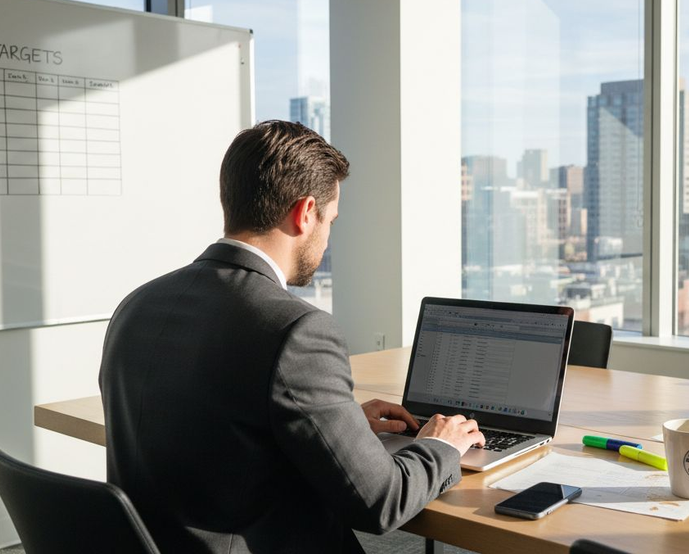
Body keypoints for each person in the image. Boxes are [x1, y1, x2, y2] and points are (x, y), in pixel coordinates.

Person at [99, 120, 485, 553]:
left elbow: (213, 423)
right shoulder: (297, 329)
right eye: (331, 220)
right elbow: (381, 503)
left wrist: (340, 424)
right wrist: (439, 445)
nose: (327, 239)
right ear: (304, 214)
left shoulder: (137, 304)